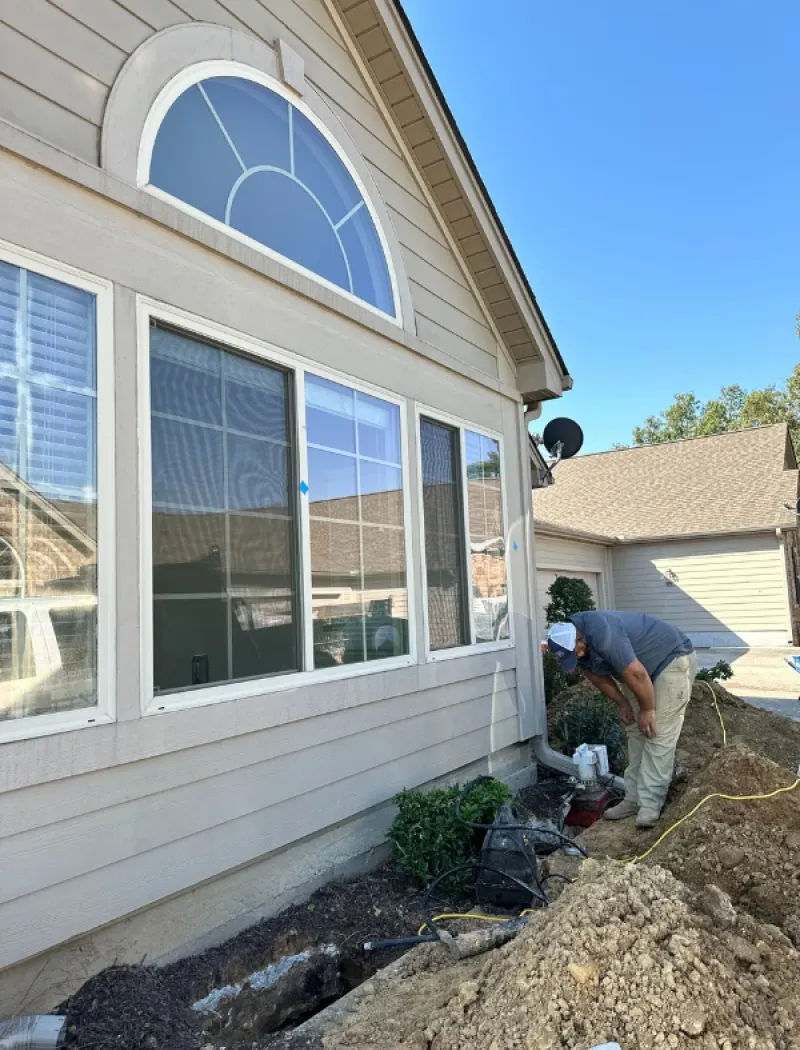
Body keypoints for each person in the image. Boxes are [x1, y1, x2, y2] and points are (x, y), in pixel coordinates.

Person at [547, 610, 697, 828]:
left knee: (657, 732)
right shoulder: (575, 644)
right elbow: (596, 676)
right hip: (637, 671)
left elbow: (637, 674)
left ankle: (650, 804)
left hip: (669, 660)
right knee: (636, 731)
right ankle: (634, 798)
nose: (577, 657)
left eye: (576, 651)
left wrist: (648, 709)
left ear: (580, 637)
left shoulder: (603, 633)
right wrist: (622, 703)